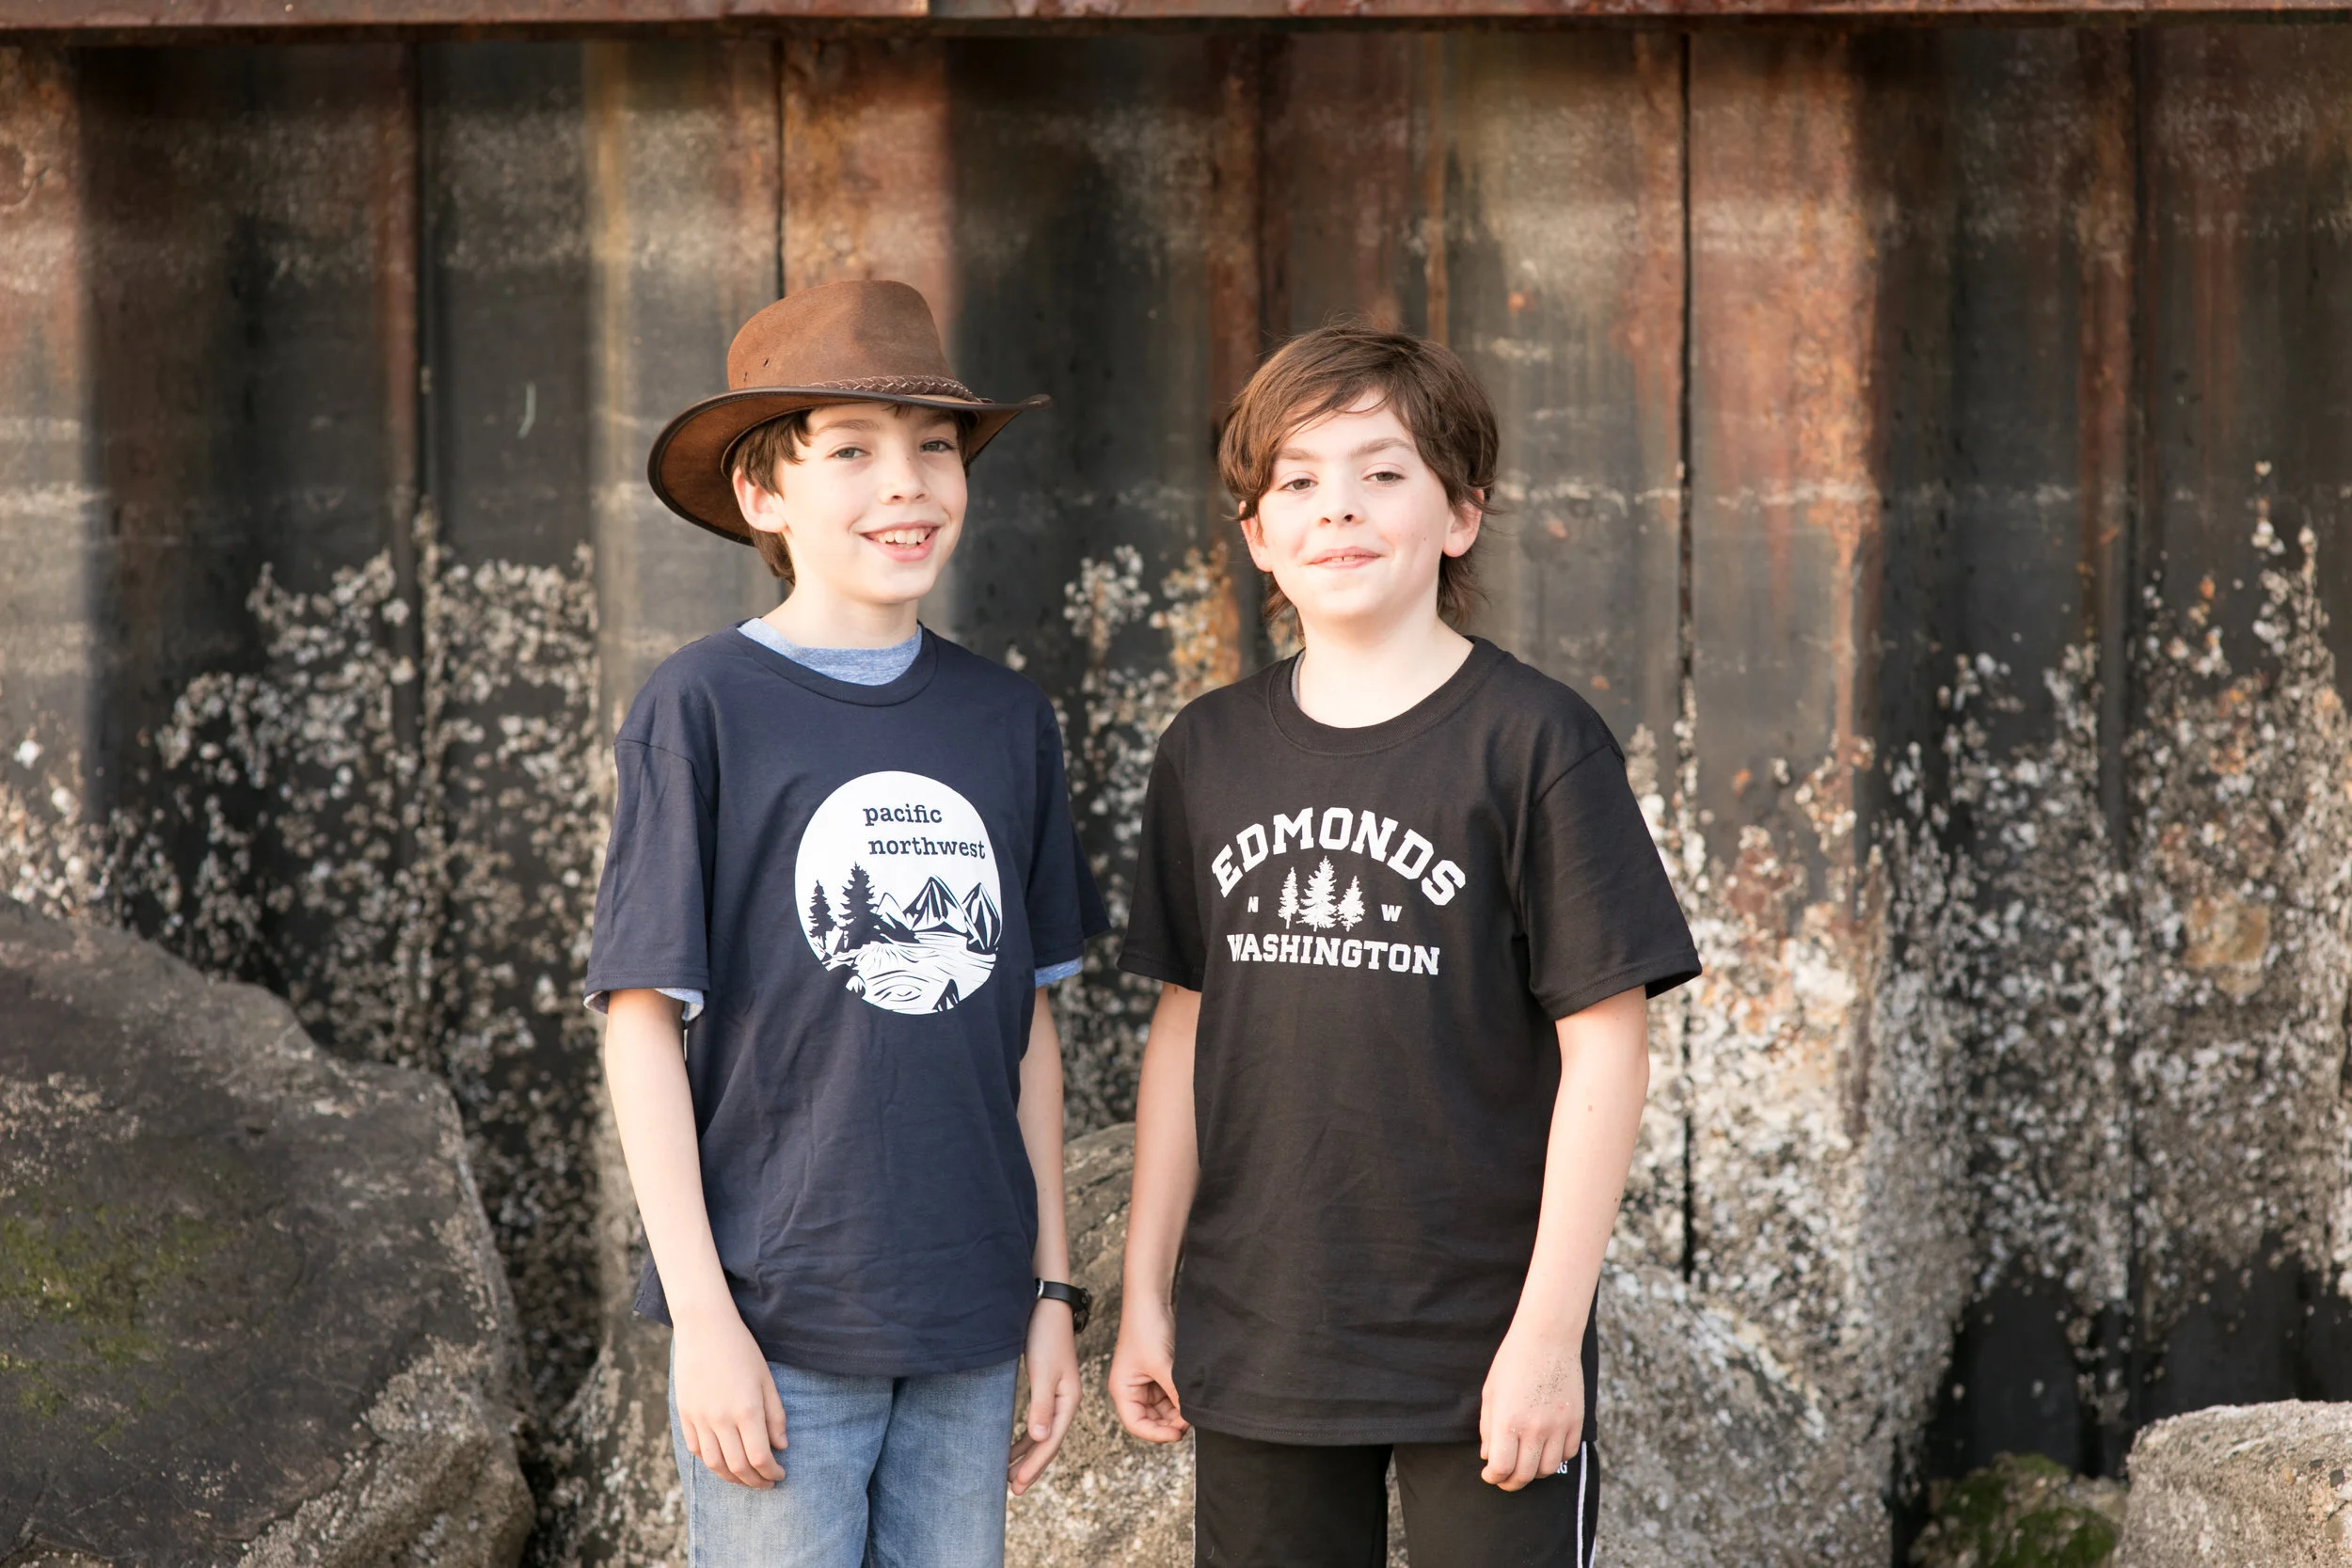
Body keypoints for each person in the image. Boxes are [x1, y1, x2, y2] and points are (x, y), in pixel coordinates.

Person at [1106, 324, 1701, 1567]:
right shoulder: (1207, 751)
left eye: (1383, 472)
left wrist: (1549, 1336)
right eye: (1298, 481)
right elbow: (1185, 1027)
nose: (1340, 507)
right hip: (1262, 1329)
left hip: (1480, 1338)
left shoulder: (1536, 743)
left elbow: (1606, 1049)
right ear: (1257, 535)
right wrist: (1147, 1293)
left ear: (1461, 513)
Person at [585, 279, 1107, 1568]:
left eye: (935, 446)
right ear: (762, 493)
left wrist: (1050, 1290)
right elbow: (641, 1023)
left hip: (971, 1319)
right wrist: (704, 1318)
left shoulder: (1007, 720)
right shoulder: (702, 706)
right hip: (779, 1322)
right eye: (853, 451)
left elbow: (1027, 1030)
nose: (907, 484)